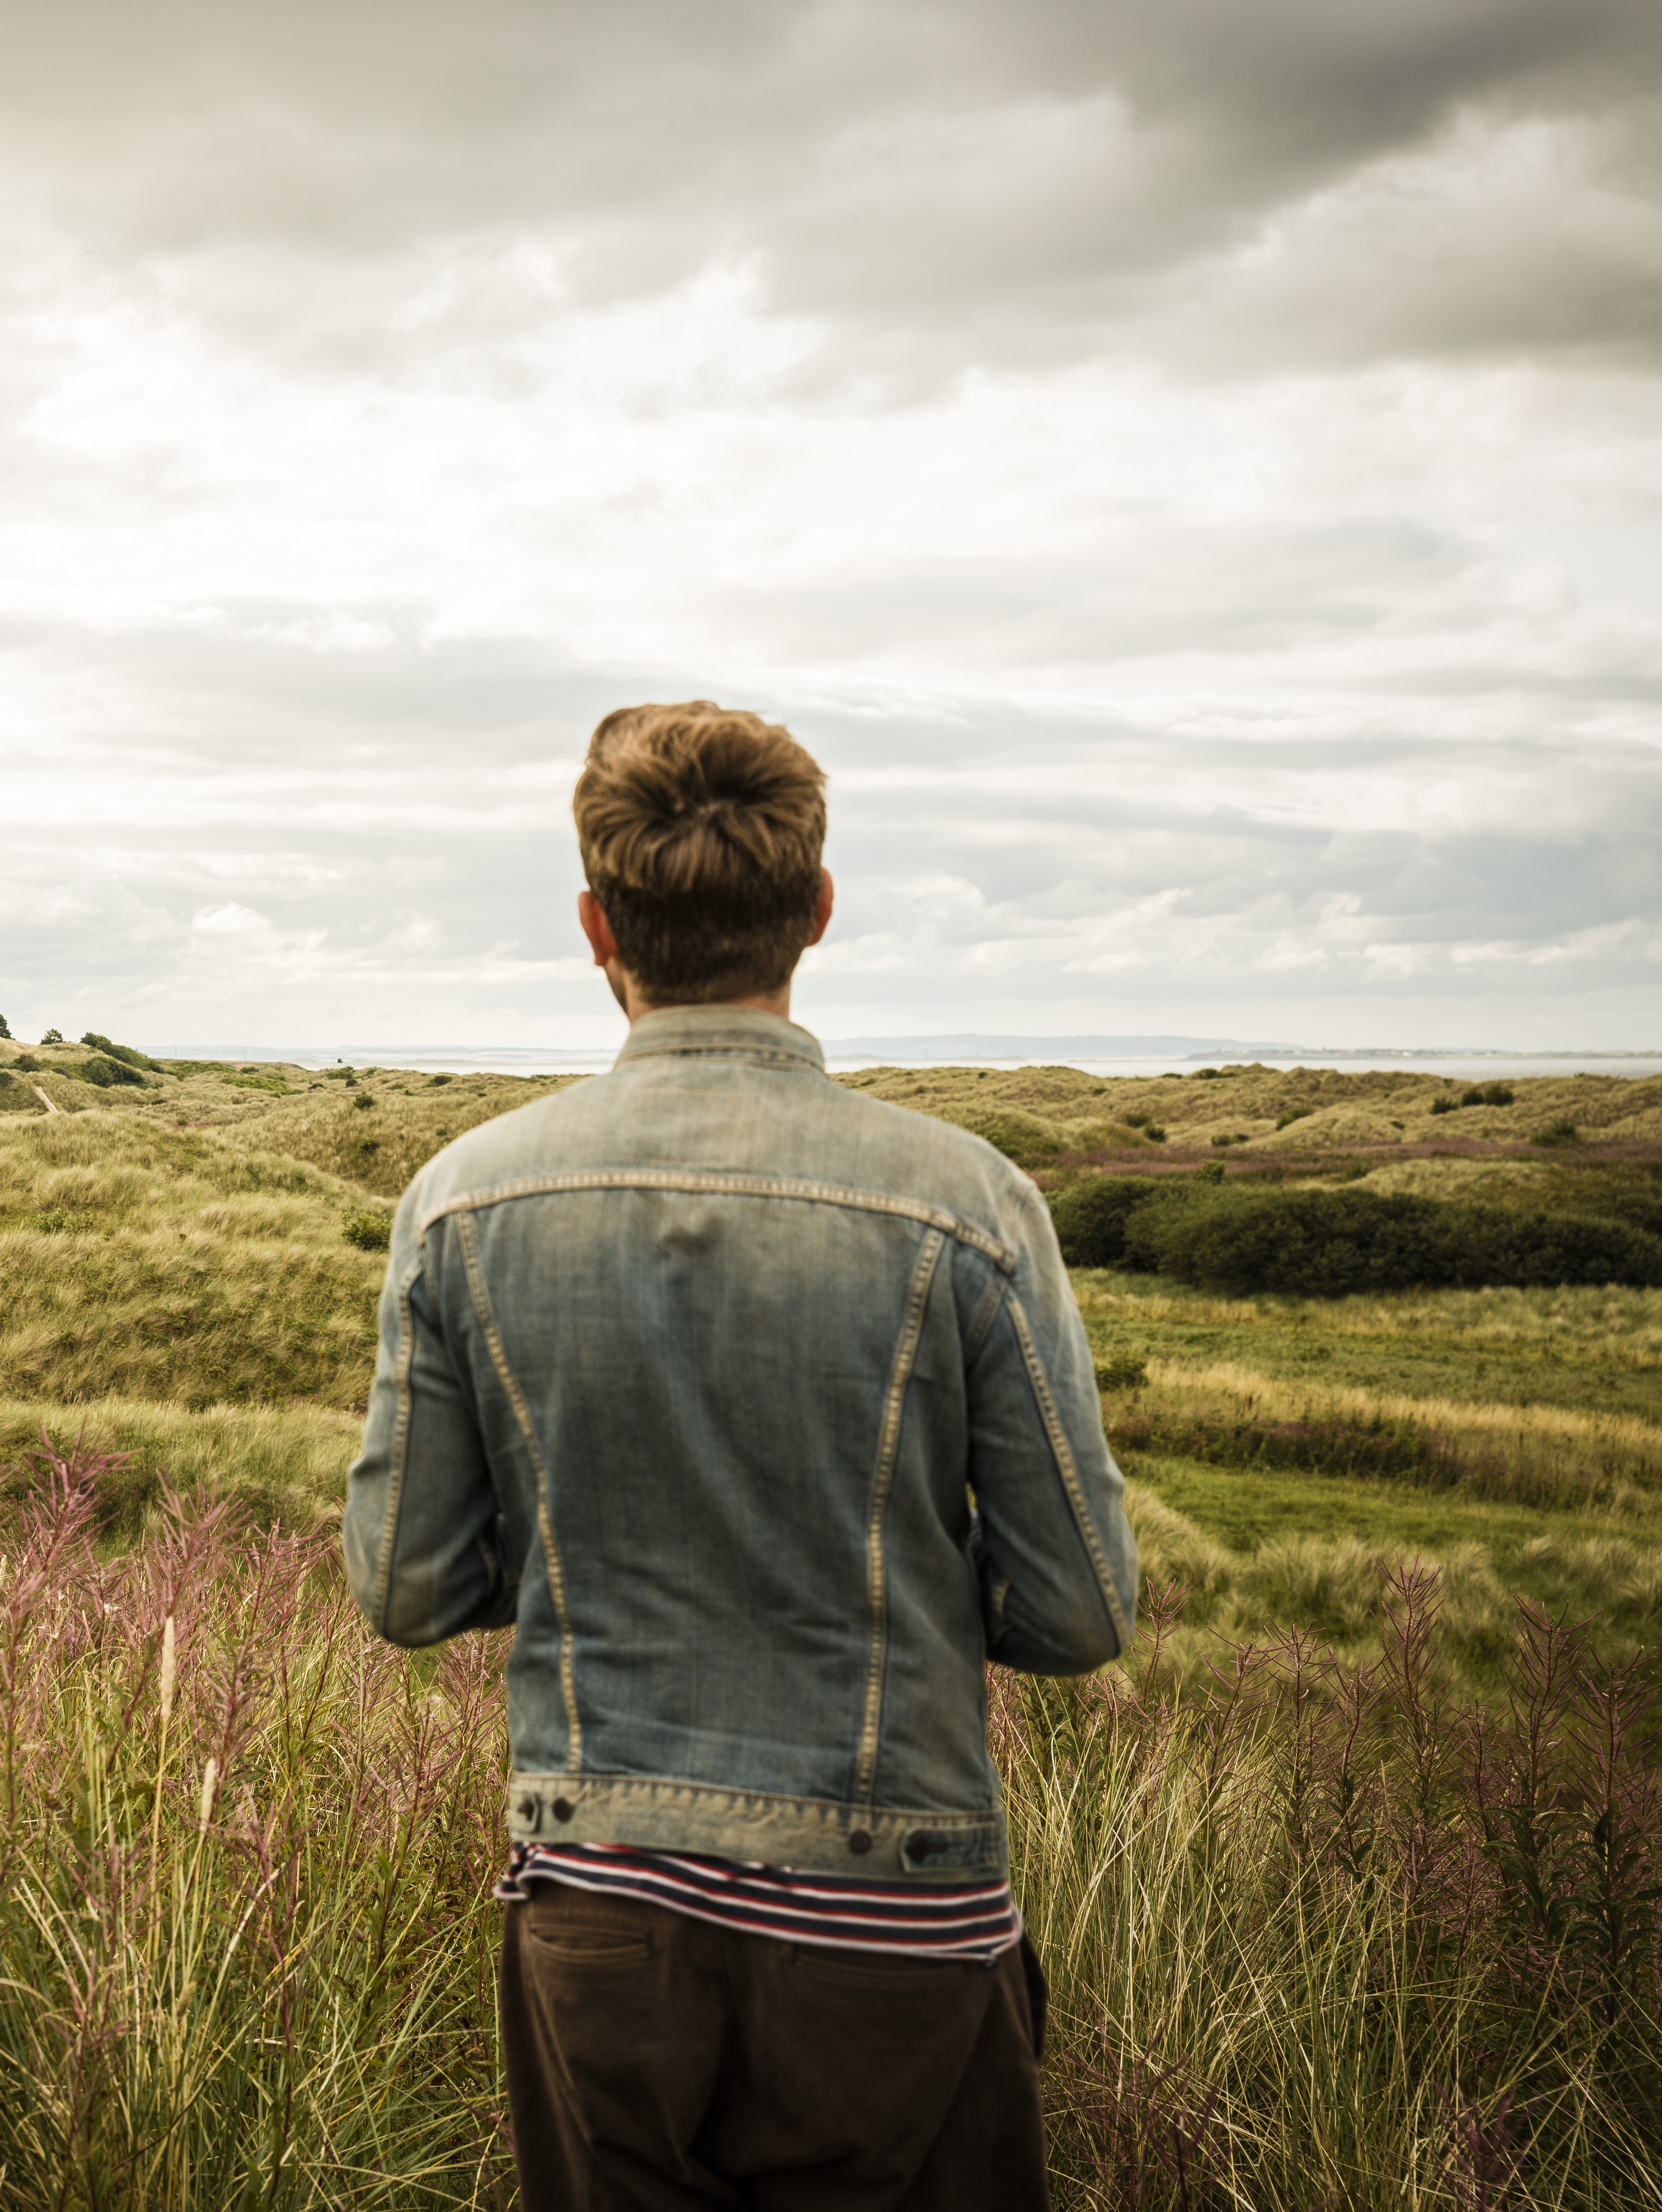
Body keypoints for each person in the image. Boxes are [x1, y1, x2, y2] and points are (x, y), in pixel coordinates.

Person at [343, 700, 1135, 2212]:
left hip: (602, 1892)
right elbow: (1080, 1615)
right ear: (818, 910)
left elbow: (406, 1584)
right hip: (897, 1913)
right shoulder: (968, 1203)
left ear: (596, 926)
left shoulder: (461, 1202)